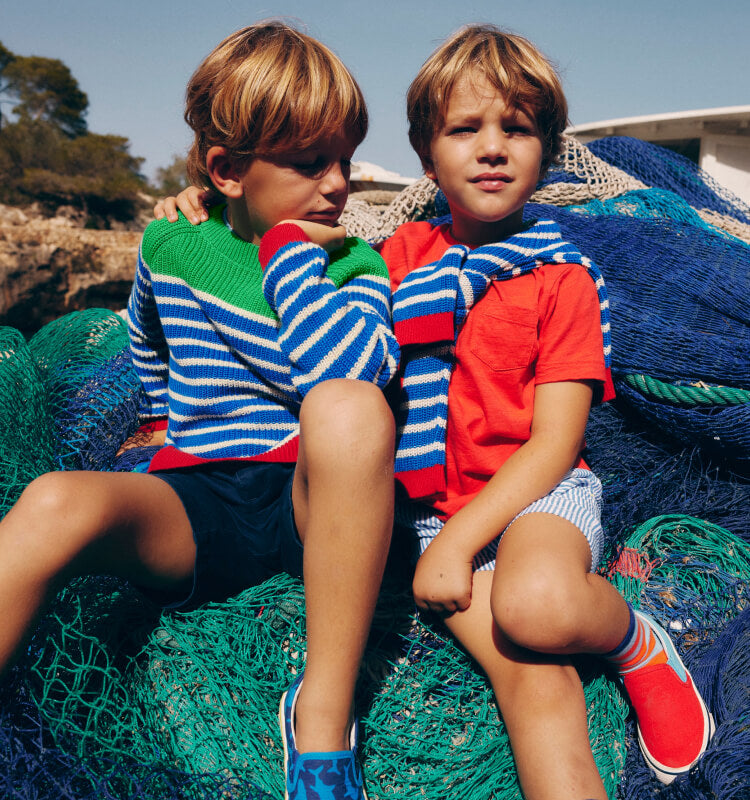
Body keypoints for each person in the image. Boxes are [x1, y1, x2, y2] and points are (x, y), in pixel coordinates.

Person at [156, 24, 714, 800]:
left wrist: (460, 538)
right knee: (532, 675)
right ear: (427, 157)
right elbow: (269, 252)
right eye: (465, 129)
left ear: (548, 154)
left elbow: (555, 446)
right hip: (421, 514)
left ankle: (635, 642)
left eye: (516, 129)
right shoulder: (392, 257)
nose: (491, 148)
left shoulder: (563, 279)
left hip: (531, 500)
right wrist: (197, 206)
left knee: (539, 607)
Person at [0, 22, 400, 800]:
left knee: (348, 408)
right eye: (309, 162)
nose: (338, 184)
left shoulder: (355, 264)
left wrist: (287, 254)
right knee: (52, 501)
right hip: (200, 503)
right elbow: (149, 351)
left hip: (311, 508)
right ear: (225, 169)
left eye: (344, 160)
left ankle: (320, 718)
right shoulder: (169, 245)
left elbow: (345, 369)